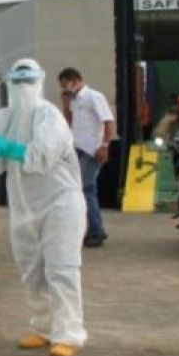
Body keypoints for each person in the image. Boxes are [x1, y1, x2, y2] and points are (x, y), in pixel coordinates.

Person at [0, 58, 87, 356]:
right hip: (24, 207)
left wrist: (7, 147)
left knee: (61, 269)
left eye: (28, 82)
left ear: (39, 83)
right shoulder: (4, 118)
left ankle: (68, 336)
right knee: (32, 271)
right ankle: (44, 327)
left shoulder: (50, 116)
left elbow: (42, 156)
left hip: (60, 203)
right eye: (18, 82)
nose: (23, 89)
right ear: (10, 85)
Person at [57, 67, 116, 248]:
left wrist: (105, 145)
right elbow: (69, 121)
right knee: (83, 189)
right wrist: (66, 104)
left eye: (65, 85)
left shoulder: (93, 97)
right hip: (78, 148)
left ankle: (96, 230)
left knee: (86, 189)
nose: (64, 89)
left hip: (91, 150)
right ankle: (93, 229)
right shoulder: (75, 100)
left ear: (74, 81)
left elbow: (108, 121)